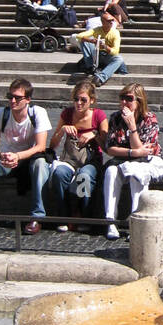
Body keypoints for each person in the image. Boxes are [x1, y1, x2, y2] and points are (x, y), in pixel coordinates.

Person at [0, 79, 50, 235]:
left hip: (29, 158)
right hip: (8, 159)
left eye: (17, 97)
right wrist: (1, 155)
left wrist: (18, 156)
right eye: (10, 96)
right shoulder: (1, 114)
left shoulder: (38, 113)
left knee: (41, 165)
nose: (13, 100)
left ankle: (37, 216)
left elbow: (40, 146)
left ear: (28, 99)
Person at [100, 81, 163, 238]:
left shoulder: (150, 119)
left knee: (136, 174)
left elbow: (143, 152)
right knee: (110, 171)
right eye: (122, 98)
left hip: (147, 162)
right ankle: (110, 221)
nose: (124, 102)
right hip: (124, 160)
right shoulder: (115, 118)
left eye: (129, 98)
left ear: (139, 101)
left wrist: (132, 127)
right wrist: (132, 153)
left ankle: (137, 223)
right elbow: (111, 148)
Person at [48, 82, 108, 230]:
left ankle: (83, 214)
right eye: (76, 99)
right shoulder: (67, 114)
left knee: (84, 177)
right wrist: (62, 130)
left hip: (91, 160)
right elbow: (52, 145)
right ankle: (63, 215)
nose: (79, 103)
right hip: (70, 158)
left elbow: (106, 146)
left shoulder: (99, 115)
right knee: (59, 174)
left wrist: (94, 135)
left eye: (83, 100)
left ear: (92, 100)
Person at [73, 9, 126, 86]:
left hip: (108, 55)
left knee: (119, 59)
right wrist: (92, 41)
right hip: (97, 53)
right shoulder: (97, 30)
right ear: (103, 22)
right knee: (84, 40)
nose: (111, 22)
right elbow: (79, 36)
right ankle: (90, 67)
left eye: (112, 20)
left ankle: (100, 78)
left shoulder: (115, 33)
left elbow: (115, 51)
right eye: (109, 21)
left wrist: (105, 46)